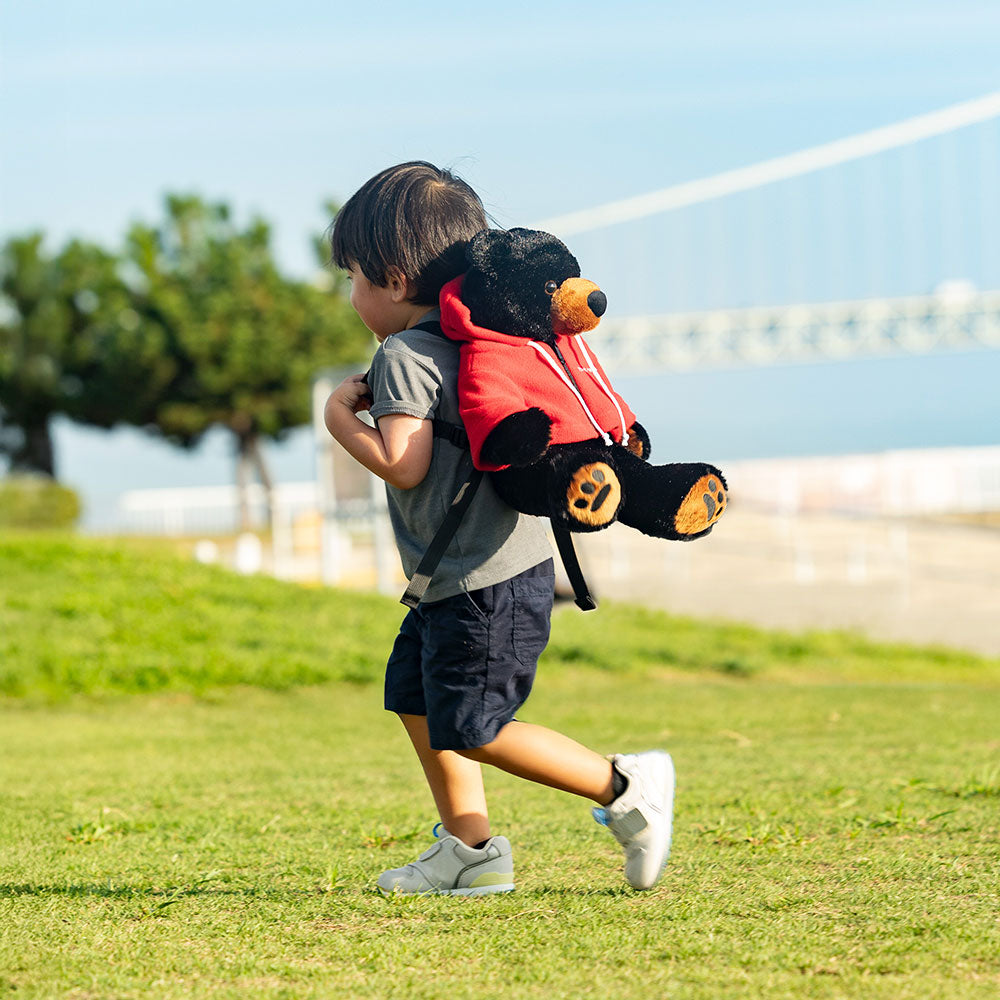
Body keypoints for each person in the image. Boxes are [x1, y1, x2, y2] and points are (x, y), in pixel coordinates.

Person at [324, 161, 674, 895]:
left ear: (391, 278)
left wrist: (336, 420)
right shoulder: (491, 346)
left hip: (479, 580)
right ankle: (469, 849)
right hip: (474, 574)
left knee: (475, 725)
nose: (352, 295)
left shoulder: (405, 355)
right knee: (416, 698)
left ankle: (624, 785)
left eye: (353, 277)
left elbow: (403, 463)